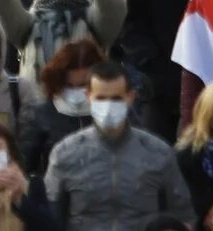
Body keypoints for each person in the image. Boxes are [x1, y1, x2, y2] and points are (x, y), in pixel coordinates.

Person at [40, 60, 188, 231]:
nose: (108, 106)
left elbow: (182, 214)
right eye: (101, 98)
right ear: (88, 97)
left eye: (116, 98)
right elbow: (49, 216)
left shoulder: (159, 152)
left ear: (130, 97)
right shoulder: (64, 153)